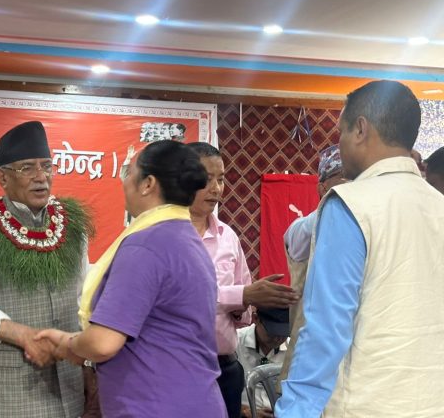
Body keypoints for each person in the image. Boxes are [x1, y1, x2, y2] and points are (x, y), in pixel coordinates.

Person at [276, 80, 444, 417]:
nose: (339, 142)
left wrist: (295, 410)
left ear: (361, 130)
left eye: (341, 131)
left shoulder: (350, 205)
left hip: (363, 406)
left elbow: (325, 330)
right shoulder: (438, 205)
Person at [36, 140, 226, 417]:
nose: (124, 182)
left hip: (157, 406)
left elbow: (103, 342)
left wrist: (67, 344)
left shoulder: (146, 245)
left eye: (129, 173)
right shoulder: (184, 237)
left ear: (148, 184)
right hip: (194, 400)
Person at [0, 121, 93, 418]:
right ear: (2, 177)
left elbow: (83, 299)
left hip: (67, 390)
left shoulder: (72, 226)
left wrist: (88, 361)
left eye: (47, 166)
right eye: (27, 168)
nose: (41, 177)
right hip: (2, 393)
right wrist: (24, 335)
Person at [185, 141, 300, 418]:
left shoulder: (228, 237)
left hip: (225, 368)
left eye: (221, 179)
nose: (216, 189)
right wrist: (241, 295)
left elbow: (244, 317)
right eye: (207, 179)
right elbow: (182, 299)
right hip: (179, 368)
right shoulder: (165, 235)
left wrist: (244, 302)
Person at [279, 145, 346, 385]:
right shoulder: (302, 228)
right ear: (322, 188)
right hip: (310, 355)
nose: (352, 187)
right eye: (343, 178)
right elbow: (306, 233)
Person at [237, 307, 290, 418]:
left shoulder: (293, 349)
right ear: (256, 318)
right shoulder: (234, 343)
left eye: (284, 334)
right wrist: (244, 411)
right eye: (272, 333)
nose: (278, 339)